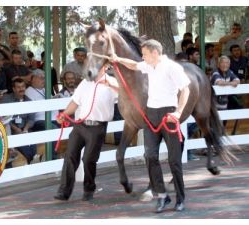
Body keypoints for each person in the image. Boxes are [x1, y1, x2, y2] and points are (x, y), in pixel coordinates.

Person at [112, 39, 190, 213]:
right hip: (151, 115)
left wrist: (178, 112)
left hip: (168, 115)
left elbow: (186, 89)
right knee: (150, 156)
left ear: (155, 53)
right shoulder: (148, 66)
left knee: (174, 160)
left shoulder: (172, 67)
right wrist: (117, 58)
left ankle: (180, 198)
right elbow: (133, 65)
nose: (142, 57)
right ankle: (162, 195)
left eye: (145, 54)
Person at [54, 63, 118, 201]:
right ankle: (64, 191)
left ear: (105, 67)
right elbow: (75, 102)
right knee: (70, 155)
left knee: (89, 159)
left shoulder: (112, 82)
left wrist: (112, 86)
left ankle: (89, 188)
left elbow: (125, 96)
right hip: (80, 125)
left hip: (97, 127)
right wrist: (64, 114)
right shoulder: (85, 82)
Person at [1, 78, 36, 164]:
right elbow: (4, 118)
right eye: (18, 87)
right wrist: (16, 129)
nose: (21, 89)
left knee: (33, 142)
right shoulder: (7, 99)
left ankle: (33, 159)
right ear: (13, 89)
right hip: (11, 129)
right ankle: (33, 161)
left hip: (25, 128)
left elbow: (31, 119)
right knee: (22, 143)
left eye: (23, 86)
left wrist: (25, 129)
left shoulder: (29, 100)